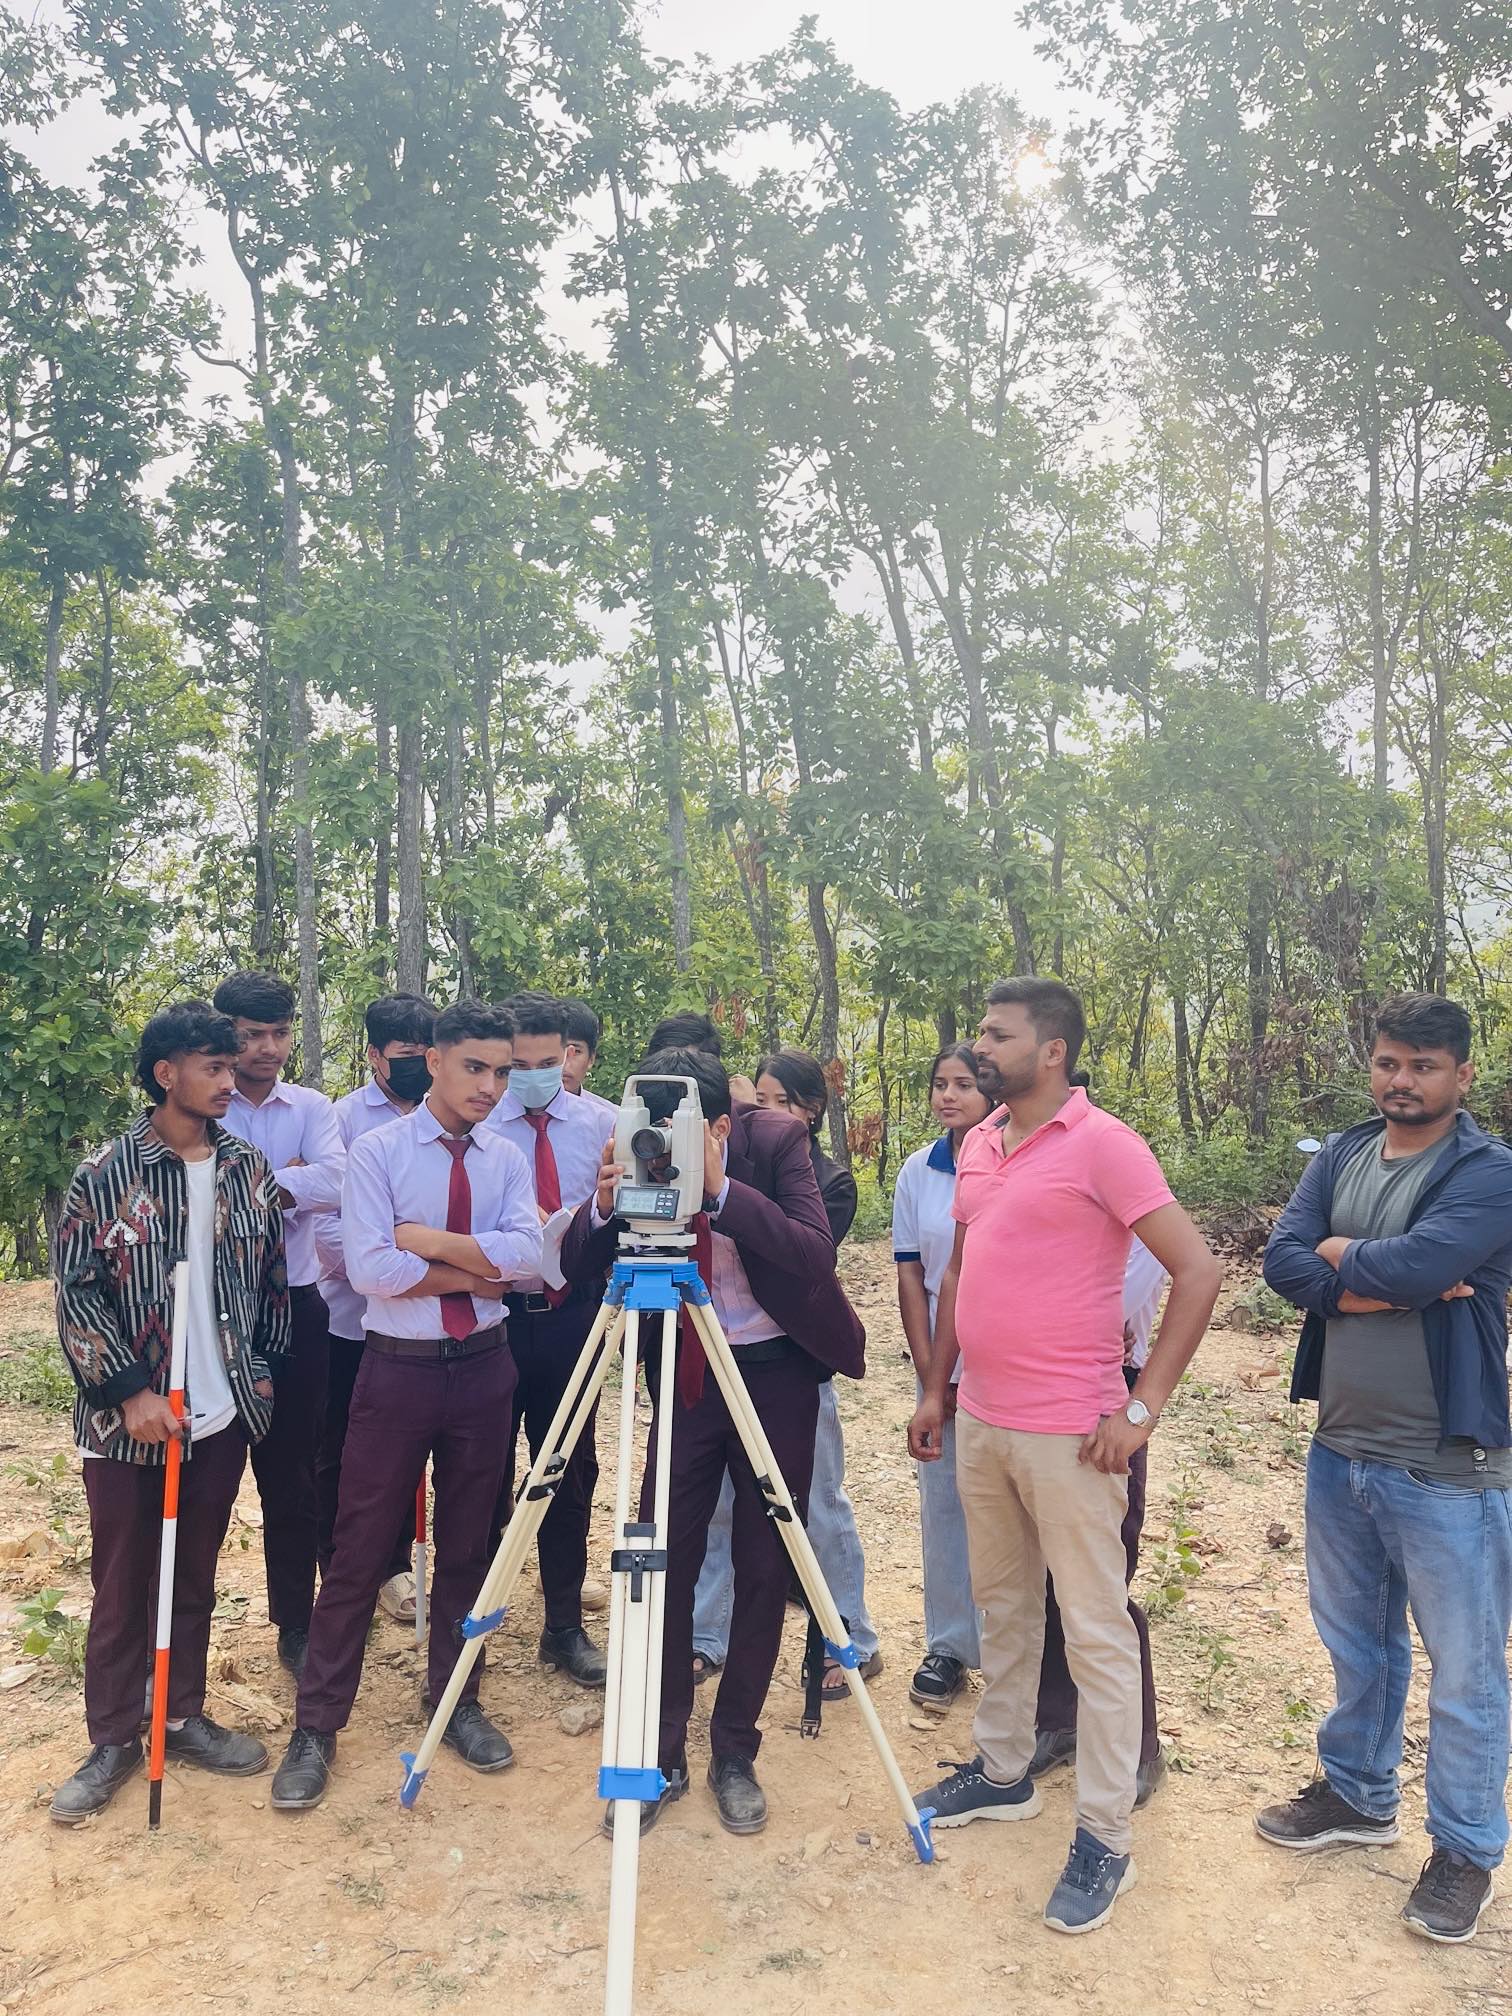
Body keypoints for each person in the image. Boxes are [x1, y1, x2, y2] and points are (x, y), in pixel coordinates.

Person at [909, 978, 1221, 1934]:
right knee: (1003, 1606)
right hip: (983, 1421)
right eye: (981, 1031)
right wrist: (937, 1390)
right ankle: (1004, 1770)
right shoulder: (980, 1141)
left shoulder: (1106, 1145)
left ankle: (1105, 1835)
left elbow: (1199, 1270)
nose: (980, 1047)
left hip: (1072, 1434)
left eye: (997, 1035)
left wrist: (1141, 1408)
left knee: (1093, 1630)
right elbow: (959, 1269)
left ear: (1051, 1050)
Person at [1257, 991, 1512, 1945]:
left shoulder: (1489, 1172)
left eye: (1424, 1066)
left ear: (1462, 1075)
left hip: (1446, 1463)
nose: (1402, 1081)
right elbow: (1284, 1262)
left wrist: (1346, 1262)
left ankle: (1466, 1852)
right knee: (1357, 1642)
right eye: (1389, 1062)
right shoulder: (1343, 1153)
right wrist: (1360, 1283)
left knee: (1466, 1670)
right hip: (1342, 1447)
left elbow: (1418, 1266)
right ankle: (1360, 1795)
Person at [561, 1046, 865, 1837]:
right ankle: (661, 1752)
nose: (662, 1143)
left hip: (775, 1372)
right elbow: (574, 1265)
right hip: (686, 1367)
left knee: (766, 1561)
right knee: (663, 1555)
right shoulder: (633, 1140)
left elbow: (811, 1251)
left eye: (681, 1132)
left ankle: (735, 1748)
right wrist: (602, 1207)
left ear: (721, 1126)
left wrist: (720, 1191)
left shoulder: (777, 1143)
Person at [270, 1000, 543, 1812]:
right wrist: (478, 1270)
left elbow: (528, 1260)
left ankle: (456, 1699)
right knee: (357, 1548)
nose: (490, 1087)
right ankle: (317, 1724)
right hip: (397, 1372)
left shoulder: (506, 1158)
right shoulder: (378, 1152)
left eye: (501, 1073)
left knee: (469, 1545)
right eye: (475, 1068)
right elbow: (371, 1271)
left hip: (485, 1371)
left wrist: (425, 1241)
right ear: (434, 1062)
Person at [49, 1001, 290, 1823]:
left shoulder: (247, 1169)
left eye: (232, 1066)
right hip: (129, 1426)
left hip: (218, 1416)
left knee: (193, 1576)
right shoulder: (105, 1174)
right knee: (123, 1586)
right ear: (166, 1074)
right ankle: (115, 1737)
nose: (232, 1079)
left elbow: (272, 1281)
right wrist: (129, 1391)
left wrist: (262, 1377)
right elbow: (77, 1298)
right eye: (214, 1068)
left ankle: (180, 1714)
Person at [692, 1048, 879, 1699]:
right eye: (757, 1102)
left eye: (779, 1104)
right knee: (720, 1505)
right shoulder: (720, 1161)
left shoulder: (828, 1181)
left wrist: (729, 1184)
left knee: (817, 1505)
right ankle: (706, 1634)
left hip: (796, 1363)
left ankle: (850, 1634)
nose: (764, 1114)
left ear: (811, 1112)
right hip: (721, 1358)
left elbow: (799, 1253)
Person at [212, 970, 345, 1681]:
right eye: (252, 1034)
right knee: (206, 1475)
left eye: (280, 1032)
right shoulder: (203, 1102)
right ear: (225, 1035)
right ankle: (180, 1634)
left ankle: (296, 1623)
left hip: (297, 1305)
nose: (268, 1047)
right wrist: (289, 1179)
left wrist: (250, 1183)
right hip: (213, 1311)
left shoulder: (313, 1107)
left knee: (293, 1474)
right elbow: (193, 1189)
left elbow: (340, 1180)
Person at [482, 990, 610, 1687]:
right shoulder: (479, 1126)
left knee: (567, 1467)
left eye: (545, 1063)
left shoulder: (604, 1125)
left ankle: (563, 1624)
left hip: (572, 1316)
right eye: (517, 1066)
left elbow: (619, 1222)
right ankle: (475, 1620)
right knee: (481, 1469)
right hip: (493, 1319)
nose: (531, 1077)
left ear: (569, 1054)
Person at [1032, 1228, 1170, 1805]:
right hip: (1034, 1398)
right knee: (1045, 1574)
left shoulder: (1141, 1222)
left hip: (1108, 1404)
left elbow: (1101, 1317)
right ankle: (1057, 1718)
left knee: (1103, 1581)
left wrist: (1039, 1313)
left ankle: (1140, 1745)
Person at [316, 992, 436, 1625]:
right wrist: (388, 1262)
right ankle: (343, 1571)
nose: (418, 1065)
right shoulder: (343, 1121)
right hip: (351, 1320)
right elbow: (328, 1228)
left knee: (413, 1450)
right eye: (405, 1054)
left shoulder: (452, 1118)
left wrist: (398, 1256)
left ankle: (396, 1567)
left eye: (426, 1053)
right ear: (373, 1056)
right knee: (346, 1451)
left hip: (428, 1322)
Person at [892, 1042, 994, 1709]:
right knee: (944, 1504)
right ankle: (950, 1646)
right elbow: (912, 1274)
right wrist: (934, 1375)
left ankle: (1018, 1656)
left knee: (1010, 1507)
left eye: (963, 1084)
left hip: (1004, 1359)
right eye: (939, 1084)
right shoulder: (917, 1171)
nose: (948, 1096)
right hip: (938, 1358)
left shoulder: (1013, 1160)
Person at [560, 996, 620, 1130]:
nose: (564, 1063)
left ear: (591, 1058)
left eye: (576, 1051)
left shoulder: (612, 1121)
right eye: (558, 1050)